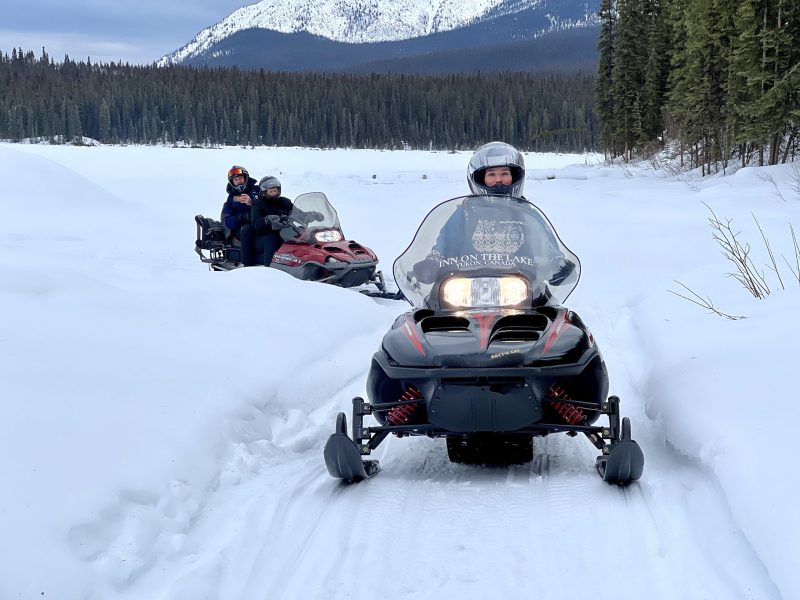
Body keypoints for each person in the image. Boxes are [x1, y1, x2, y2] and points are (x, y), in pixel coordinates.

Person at [415, 141, 575, 288]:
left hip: (522, 288)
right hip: (466, 288)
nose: (499, 180)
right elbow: (446, 242)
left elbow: (544, 244)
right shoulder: (466, 212)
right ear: (481, 179)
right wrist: (433, 262)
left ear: (514, 176)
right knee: (427, 313)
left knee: (558, 316)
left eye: (505, 173)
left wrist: (556, 265)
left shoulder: (526, 213)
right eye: (491, 174)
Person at [251, 175, 295, 266]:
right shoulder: (258, 204)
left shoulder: (285, 202)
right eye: (271, 191)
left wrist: (310, 214)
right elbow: (256, 224)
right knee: (271, 239)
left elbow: (297, 212)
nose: (274, 193)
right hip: (262, 236)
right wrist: (266, 220)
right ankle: (270, 269)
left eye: (276, 190)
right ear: (264, 192)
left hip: (284, 231)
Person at [221, 165, 259, 266]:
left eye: (240, 178)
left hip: (260, 222)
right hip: (241, 228)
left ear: (246, 178)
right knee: (247, 229)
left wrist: (252, 203)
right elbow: (227, 221)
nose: (239, 181)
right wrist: (243, 217)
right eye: (235, 180)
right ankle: (248, 264)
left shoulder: (258, 191)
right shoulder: (230, 200)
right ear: (232, 183)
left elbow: (268, 201)